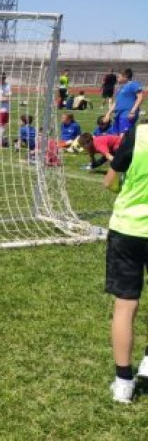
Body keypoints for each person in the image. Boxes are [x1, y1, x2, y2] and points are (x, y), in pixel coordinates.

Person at [102, 119, 148, 403]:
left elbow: (110, 180)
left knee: (125, 304)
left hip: (128, 229)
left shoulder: (138, 134)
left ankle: (123, 382)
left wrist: (121, 189)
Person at [105, 68, 143, 135]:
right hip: (118, 114)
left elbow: (140, 97)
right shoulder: (120, 88)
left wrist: (133, 111)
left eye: (118, 76)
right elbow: (116, 103)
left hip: (126, 114)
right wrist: (108, 114)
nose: (117, 78)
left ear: (125, 76)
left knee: (123, 136)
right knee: (114, 135)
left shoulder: (134, 84)